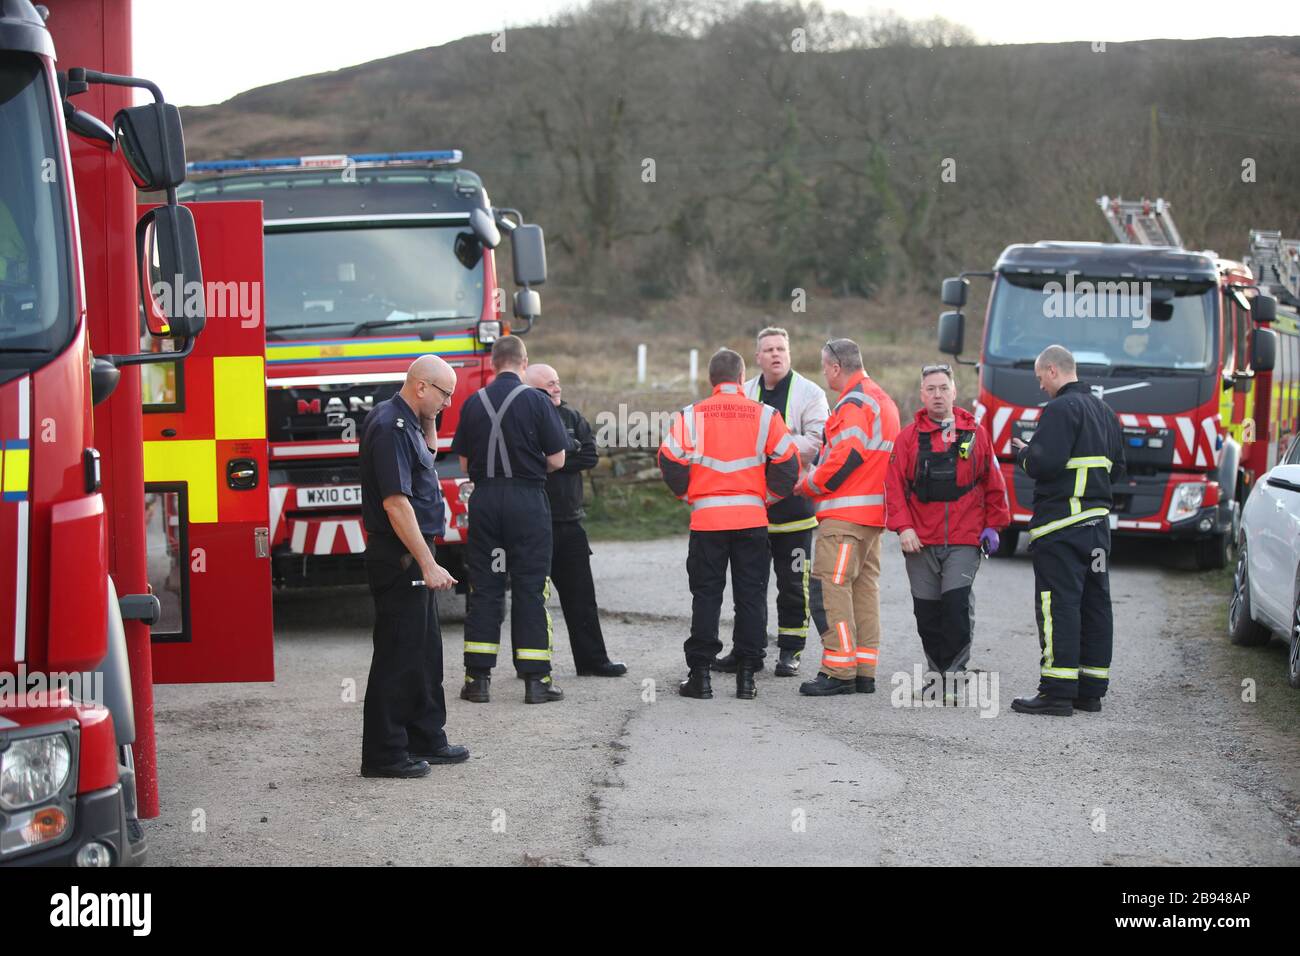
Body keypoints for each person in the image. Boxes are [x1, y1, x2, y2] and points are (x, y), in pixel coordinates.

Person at [658, 348, 800, 700]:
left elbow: (669, 459)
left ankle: (701, 676)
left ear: (711, 381)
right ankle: (747, 677)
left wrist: (689, 495)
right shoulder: (766, 414)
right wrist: (763, 498)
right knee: (751, 597)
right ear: (741, 379)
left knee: (706, 596)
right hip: (751, 520)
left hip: (707, 521)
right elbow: (789, 464)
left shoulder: (692, 414)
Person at [358, 355, 469, 778]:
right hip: (401, 558)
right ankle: (385, 754)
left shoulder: (411, 420)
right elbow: (395, 503)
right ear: (421, 386)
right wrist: (427, 561)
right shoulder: (390, 426)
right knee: (398, 654)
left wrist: (431, 417)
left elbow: (430, 452)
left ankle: (426, 737)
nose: (448, 404)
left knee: (425, 653)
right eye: (444, 395)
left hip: (416, 555)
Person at [1010, 344, 1125, 716]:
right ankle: (1089, 690)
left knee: (1058, 604)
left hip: (1060, 529)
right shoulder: (1106, 412)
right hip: (1096, 530)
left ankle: (1057, 691)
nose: (1041, 386)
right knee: (1094, 604)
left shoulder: (1060, 409)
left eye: (1040, 377)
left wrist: (1025, 453)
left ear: (1054, 370)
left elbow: (1044, 463)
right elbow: (1119, 470)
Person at [453, 335, 569, 705]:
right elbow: (558, 459)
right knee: (530, 586)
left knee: (485, 586)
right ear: (524, 362)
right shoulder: (536, 400)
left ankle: (477, 680)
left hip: (485, 500)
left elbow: (464, 466)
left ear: (491, 361)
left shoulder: (473, 403)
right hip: (526, 501)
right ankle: (536, 681)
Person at [885, 364, 1009, 699]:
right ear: (922, 394)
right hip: (919, 540)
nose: (937, 395)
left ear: (955, 392)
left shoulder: (976, 434)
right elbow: (894, 488)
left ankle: (954, 678)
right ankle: (936, 674)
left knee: (955, 606)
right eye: (931, 389)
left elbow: (993, 482)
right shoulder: (908, 439)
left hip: (964, 539)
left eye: (943, 388)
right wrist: (904, 528)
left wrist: (994, 526)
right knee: (927, 612)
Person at [712, 327, 828, 678]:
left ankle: (790, 651)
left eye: (781, 349)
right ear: (757, 358)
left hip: (794, 511)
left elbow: (818, 442)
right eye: (768, 350)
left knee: (793, 583)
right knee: (749, 585)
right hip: (751, 510)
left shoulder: (811, 392)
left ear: (789, 354)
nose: (776, 354)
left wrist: (773, 445)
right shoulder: (744, 392)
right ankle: (747, 649)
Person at [795, 338, 900, 697]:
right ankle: (863, 670)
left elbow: (846, 455)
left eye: (825, 368)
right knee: (863, 591)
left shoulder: (854, 403)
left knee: (829, 589)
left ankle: (839, 669)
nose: (824, 375)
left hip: (844, 518)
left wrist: (810, 483)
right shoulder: (882, 400)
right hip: (871, 518)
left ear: (836, 367)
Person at [525, 363, 626, 677]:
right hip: (533, 523)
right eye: (548, 386)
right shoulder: (524, 418)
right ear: (532, 392)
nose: (556, 389)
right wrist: (566, 454)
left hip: (570, 522)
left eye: (557, 383)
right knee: (530, 600)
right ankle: (528, 664)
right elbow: (526, 461)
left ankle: (593, 661)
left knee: (582, 598)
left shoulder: (571, 417)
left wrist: (554, 460)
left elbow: (590, 455)